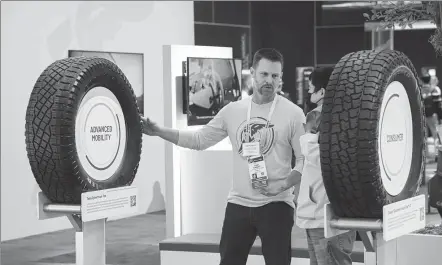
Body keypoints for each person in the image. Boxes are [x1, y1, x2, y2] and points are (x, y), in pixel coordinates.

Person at [142, 48, 306, 265]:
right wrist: (159, 131)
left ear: (281, 78)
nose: (269, 81)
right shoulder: (233, 111)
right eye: (264, 74)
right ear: (253, 73)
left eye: (275, 76)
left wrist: (283, 185)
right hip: (239, 204)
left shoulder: (293, 113)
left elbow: (305, 160)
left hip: (276, 204)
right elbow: (199, 140)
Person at [295, 67, 356, 265]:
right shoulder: (351, 117)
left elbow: (316, 159)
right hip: (330, 212)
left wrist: (309, 139)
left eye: (312, 89)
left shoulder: (318, 117)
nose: (309, 93)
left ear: (323, 91)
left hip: (323, 214)